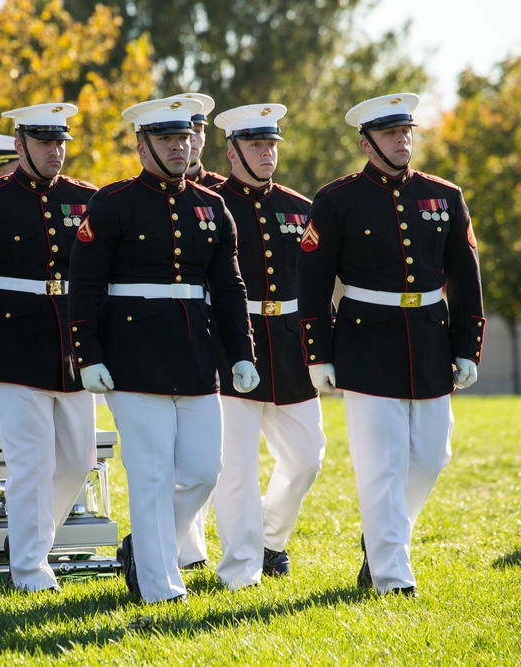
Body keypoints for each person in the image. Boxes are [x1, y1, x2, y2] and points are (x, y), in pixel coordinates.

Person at [68, 96, 259, 604]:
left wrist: (242, 352)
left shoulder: (212, 206)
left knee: (203, 471)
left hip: (197, 355)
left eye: (185, 138)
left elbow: (230, 286)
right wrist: (87, 355)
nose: (181, 146)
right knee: (151, 477)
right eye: (168, 139)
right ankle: (160, 588)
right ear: (142, 145)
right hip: (131, 357)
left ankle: (143, 548)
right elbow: (84, 284)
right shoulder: (112, 203)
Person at [298, 93, 485, 597]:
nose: (402, 141)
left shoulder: (444, 196)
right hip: (364, 341)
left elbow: (465, 276)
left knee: (431, 456)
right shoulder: (336, 199)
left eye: (407, 132)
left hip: (428, 339)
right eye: (389, 134)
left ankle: (383, 536)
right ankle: (392, 578)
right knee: (381, 465)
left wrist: (468, 346)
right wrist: (318, 354)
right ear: (366, 142)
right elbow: (312, 284)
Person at [0, 102, 98, 593]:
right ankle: (30, 570)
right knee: (32, 463)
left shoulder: (88, 198)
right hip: (10, 343)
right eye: (45, 142)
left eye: (61, 142)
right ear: (21, 144)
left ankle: (27, 539)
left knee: (77, 461)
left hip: (70, 345)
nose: (56, 151)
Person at [205, 103, 326, 590]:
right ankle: (240, 569)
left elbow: (315, 283)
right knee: (236, 466)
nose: (267, 153)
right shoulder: (211, 203)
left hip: (290, 344)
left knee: (307, 457)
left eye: (272, 143)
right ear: (232, 151)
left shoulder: (299, 207)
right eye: (256, 144)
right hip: (230, 342)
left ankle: (271, 540)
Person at [173, 91, 227, 570]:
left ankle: (167, 542)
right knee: (172, 459)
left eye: (198, 131)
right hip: (165, 333)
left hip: (214, 335)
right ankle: (185, 551)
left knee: (206, 461)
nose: (190, 140)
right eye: (181, 131)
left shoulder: (225, 194)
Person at [177, 92, 226, 189]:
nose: (192, 138)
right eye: (185, 133)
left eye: (197, 131)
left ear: (204, 137)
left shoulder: (222, 188)